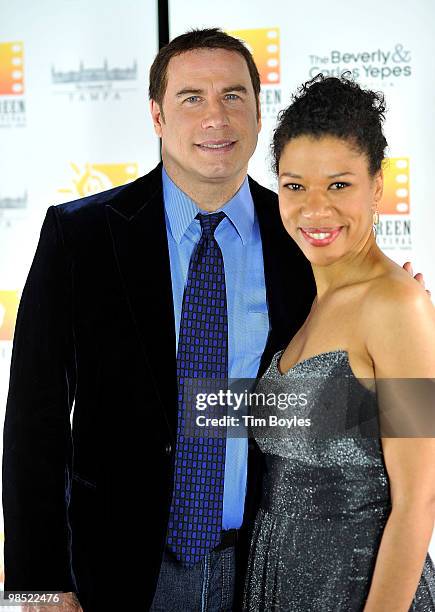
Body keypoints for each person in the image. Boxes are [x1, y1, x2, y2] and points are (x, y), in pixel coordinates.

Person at [1, 30, 426, 612]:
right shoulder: (81, 237)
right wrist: (39, 583)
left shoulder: (306, 245)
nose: (216, 117)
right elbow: (34, 419)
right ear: (156, 115)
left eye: (233, 95)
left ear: (257, 109)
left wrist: (402, 345)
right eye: (191, 98)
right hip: (118, 571)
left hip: (262, 571)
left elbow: (313, 398)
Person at [243, 74, 435, 611]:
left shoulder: (400, 306)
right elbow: (293, 421)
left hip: (357, 591)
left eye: (339, 184)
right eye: (294, 185)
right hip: (274, 582)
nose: (314, 209)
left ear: (378, 185)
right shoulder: (309, 299)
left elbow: (419, 501)